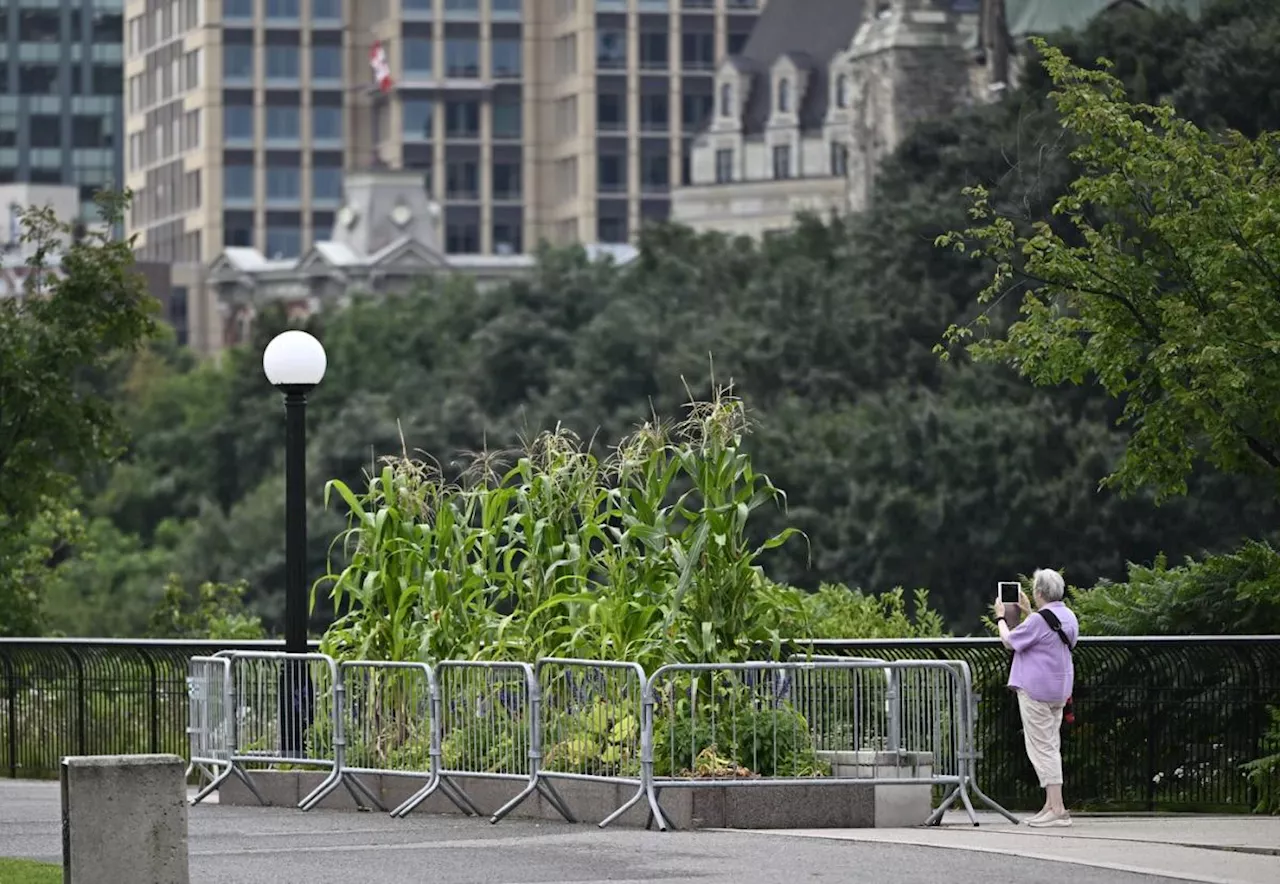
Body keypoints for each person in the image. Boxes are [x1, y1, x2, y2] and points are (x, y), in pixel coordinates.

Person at [995, 567, 1078, 828]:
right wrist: (1031, 612)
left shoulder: (1038, 621)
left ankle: (1058, 809)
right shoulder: (1068, 616)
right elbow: (1049, 637)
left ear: (1038, 592)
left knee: (1042, 748)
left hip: (1036, 691)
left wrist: (1001, 618)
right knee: (1051, 744)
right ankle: (1050, 805)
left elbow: (1010, 641)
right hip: (1060, 690)